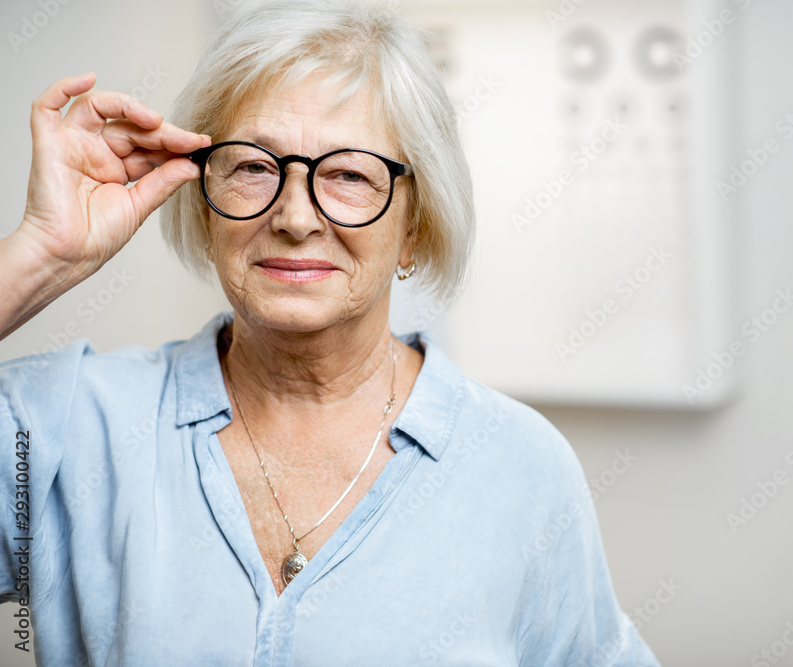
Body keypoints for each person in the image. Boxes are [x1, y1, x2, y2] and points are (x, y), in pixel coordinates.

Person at [0, 1, 660, 664]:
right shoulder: (68, 425)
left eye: (347, 174)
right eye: (254, 165)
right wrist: (38, 256)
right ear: (204, 201)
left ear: (415, 225)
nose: (293, 216)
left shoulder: (522, 467)